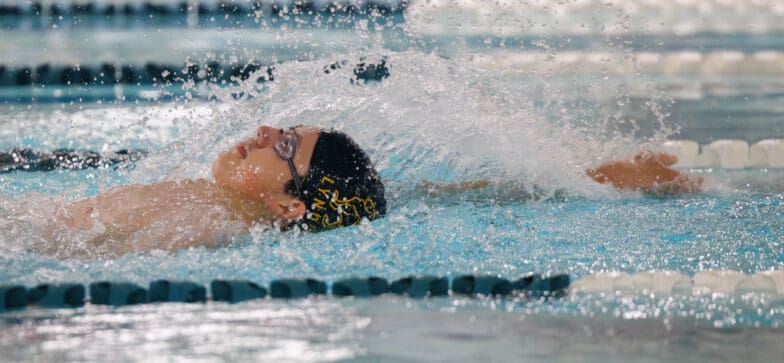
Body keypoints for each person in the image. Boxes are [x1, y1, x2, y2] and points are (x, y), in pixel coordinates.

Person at [50, 125, 702, 256]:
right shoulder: (229, 204)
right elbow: (465, 194)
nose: (264, 129)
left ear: (288, 205)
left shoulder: (210, 223)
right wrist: (601, 175)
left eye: (283, 146)